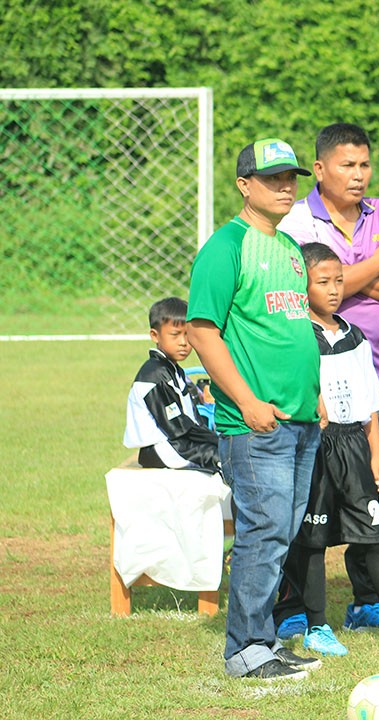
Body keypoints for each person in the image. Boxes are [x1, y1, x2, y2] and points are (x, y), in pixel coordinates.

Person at [186, 137, 323, 681]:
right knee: (263, 533)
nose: (285, 187)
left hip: (299, 420)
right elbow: (202, 330)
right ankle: (245, 651)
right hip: (255, 423)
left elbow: (288, 326)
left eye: (290, 178)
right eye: (272, 179)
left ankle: (264, 640)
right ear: (245, 186)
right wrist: (246, 401)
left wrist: (313, 394)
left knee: (279, 534)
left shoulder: (288, 247)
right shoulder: (225, 247)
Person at [276, 123, 379, 635]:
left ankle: (368, 602)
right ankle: (298, 608)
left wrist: (343, 277)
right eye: (347, 165)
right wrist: (376, 263)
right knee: (309, 507)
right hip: (316, 389)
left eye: (365, 165)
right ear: (319, 169)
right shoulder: (296, 221)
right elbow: (301, 287)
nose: (359, 175)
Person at [274, 243, 379, 655]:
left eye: (339, 280)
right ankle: (317, 626)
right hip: (316, 446)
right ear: (302, 286)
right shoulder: (295, 335)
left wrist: (376, 455)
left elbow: (369, 400)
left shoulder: (355, 336)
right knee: (312, 540)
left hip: (355, 445)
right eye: (323, 282)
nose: (335, 289)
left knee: (376, 535)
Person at [123, 296, 219, 472]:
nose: (183, 342)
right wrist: (214, 441)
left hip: (178, 441)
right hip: (163, 449)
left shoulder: (173, 370)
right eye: (175, 335)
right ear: (155, 335)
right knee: (225, 459)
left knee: (230, 450)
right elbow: (177, 428)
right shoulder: (154, 377)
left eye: (187, 334)